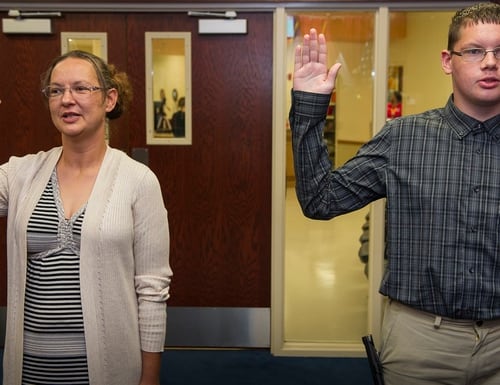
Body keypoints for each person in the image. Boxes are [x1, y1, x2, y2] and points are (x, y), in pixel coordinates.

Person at [290, 3, 500, 384]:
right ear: (447, 61)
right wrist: (308, 108)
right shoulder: (403, 139)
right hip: (420, 343)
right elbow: (321, 200)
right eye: (474, 50)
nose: (489, 62)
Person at [0, 50, 173, 385]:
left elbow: (152, 290)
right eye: (56, 90)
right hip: (29, 369)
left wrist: (149, 378)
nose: (67, 99)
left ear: (109, 99)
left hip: (107, 371)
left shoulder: (137, 180)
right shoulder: (22, 173)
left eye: (81, 88)